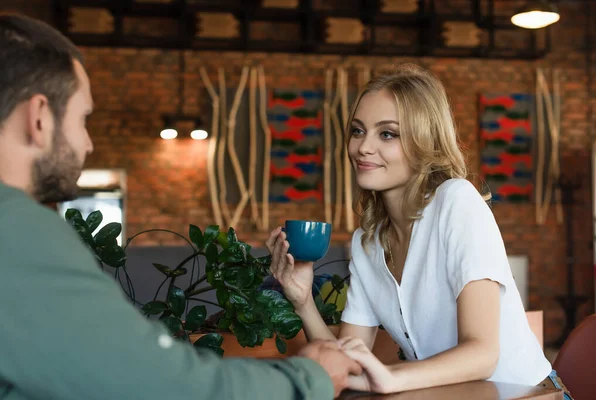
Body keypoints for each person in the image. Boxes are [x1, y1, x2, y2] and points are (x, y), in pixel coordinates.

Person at [0, 13, 362, 400]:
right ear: (39, 118)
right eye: (83, 119)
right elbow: (167, 385)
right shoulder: (18, 230)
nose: (88, 143)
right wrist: (310, 377)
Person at [267, 65, 573, 399]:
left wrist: (390, 377)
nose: (362, 148)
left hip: (532, 397)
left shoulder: (457, 202)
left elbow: (483, 355)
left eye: (387, 134)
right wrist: (302, 300)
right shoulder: (367, 242)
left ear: (424, 142)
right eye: (358, 131)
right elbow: (345, 363)